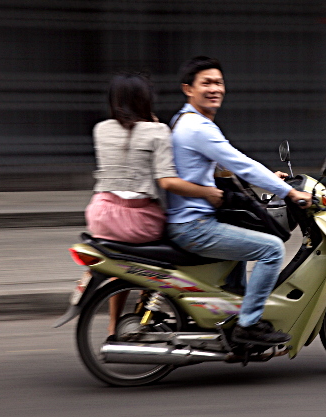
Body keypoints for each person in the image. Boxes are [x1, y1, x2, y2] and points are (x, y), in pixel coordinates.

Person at [166, 56, 312, 345]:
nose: (214, 89)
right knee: (271, 249)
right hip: (194, 225)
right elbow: (241, 162)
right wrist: (291, 193)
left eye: (218, 83)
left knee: (247, 238)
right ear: (188, 89)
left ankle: (233, 314)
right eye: (205, 83)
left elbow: (221, 166)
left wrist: (269, 177)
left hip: (188, 220)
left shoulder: (182, 120)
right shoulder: (198, 127)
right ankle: (248, 324)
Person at [85, 72, 223, 338]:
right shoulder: (158, 131)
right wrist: (206, 192)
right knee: (173, 243)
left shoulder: (100, 129)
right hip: (138, 220)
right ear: (145, 100)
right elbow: (167, 179)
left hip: (100, 214)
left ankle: (114, 323)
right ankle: (152, 303)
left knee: (122, 262)